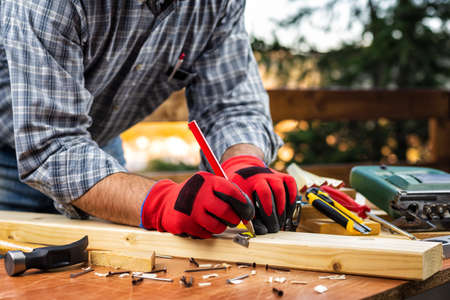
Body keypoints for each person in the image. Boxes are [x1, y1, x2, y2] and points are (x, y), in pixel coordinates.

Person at [0, 0, 298, 238]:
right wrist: (160, 203)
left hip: (97, 146)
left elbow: (230, 105)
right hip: (7, 157)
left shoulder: (216, 5)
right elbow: (53, 144)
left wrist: (242, 163)